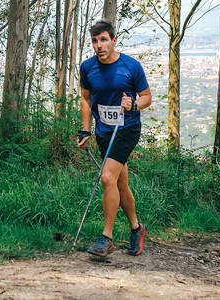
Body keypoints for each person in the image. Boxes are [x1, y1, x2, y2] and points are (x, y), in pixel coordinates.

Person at [75, 20, 152, 257]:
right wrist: (86, 130)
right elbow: (86, 99)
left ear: (114, 41)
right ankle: (137, 229)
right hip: (104, 132)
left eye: (104, 40)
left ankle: (106, 238)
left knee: (107, 177)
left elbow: (147, 97)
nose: (99, 45)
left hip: (127, 129)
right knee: (119, 183)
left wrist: (133, 105)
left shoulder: (130, 66)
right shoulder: (88, 68)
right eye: (95, 41)